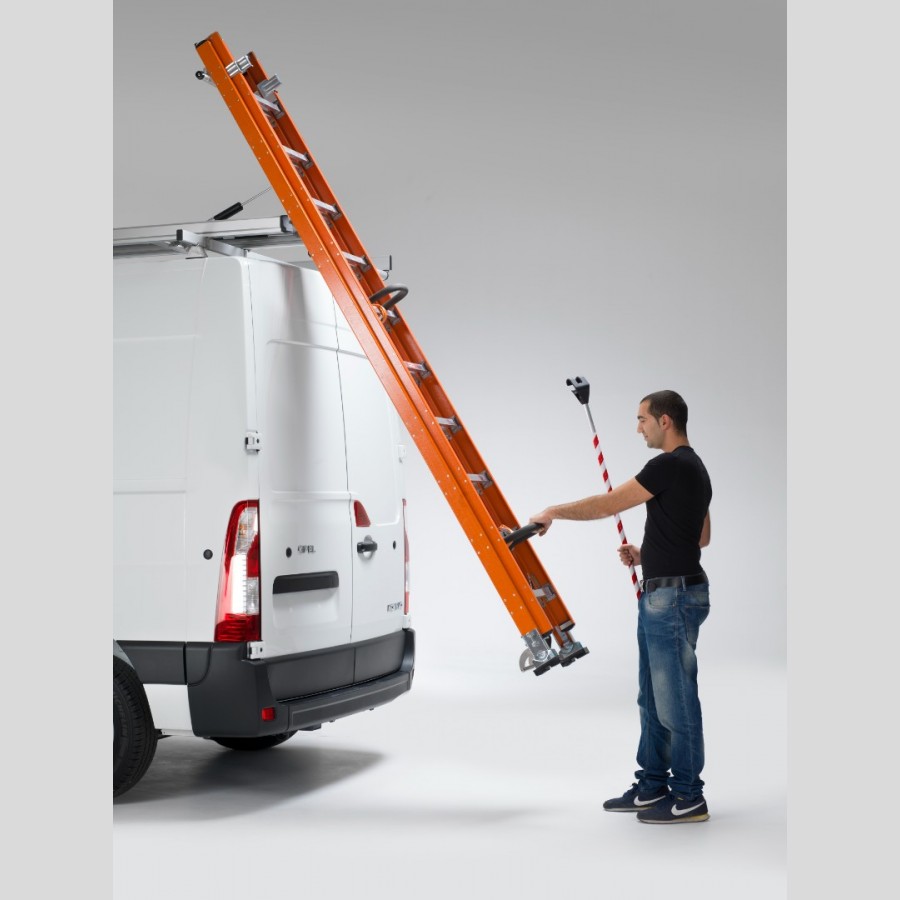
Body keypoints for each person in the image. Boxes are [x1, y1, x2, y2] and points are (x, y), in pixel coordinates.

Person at [529, 389, 712, 824]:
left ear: (665, 421)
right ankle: (652, 785)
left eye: (642, 419)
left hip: (671, 599)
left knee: (675, 700)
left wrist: (553, 511)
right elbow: (700, 538)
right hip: (668, 592)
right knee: (652, 697)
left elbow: (609, 503)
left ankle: (689, 796)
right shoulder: (697, 468)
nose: (638, 428)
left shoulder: (667, 465)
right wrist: (647, 555)